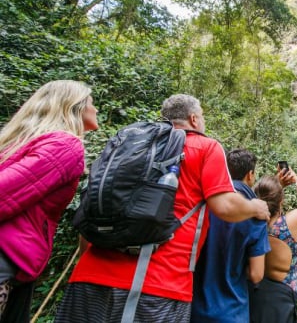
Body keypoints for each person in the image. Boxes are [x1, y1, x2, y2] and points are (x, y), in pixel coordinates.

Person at [55, 94, 270, 323]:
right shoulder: (205, 147)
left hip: (89, 276)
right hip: (157, 285)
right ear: (194, 119)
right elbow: (225, 206)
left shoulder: (131, 142)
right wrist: (255, 207)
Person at [0, 80, 98, 323]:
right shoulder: (64, 146)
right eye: (91, 103)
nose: (96, 109)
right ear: (75, 107)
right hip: (7, 254)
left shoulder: (22, 143)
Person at [191, 148, 270, 323]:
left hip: (192, 307)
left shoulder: (205, 201)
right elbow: (257, 274)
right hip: (232, 311)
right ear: (250, 175)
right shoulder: (257, 212)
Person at [249, 166, 297, 323]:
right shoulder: (287, 225)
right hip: (282, 299)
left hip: (253, 294)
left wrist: (277, 185)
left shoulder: (250, 221)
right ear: (281, 201)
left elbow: (264, 197)